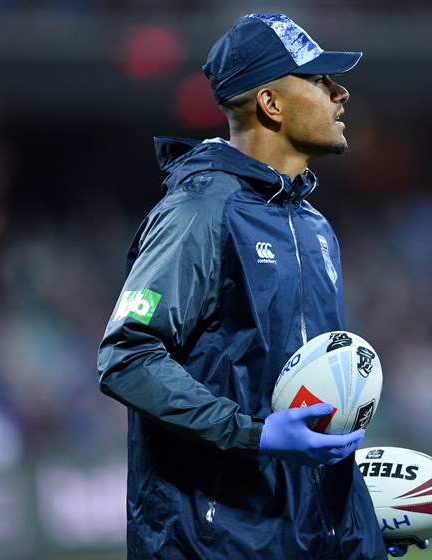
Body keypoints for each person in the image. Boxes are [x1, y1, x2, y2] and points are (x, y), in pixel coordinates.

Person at [98, 13, 411, 559]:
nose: (340, 94)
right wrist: (257, 435)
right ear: (271, 104)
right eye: (318, 81)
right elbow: (126, 356)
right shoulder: (198, 211)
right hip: (216, 543)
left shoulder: (313, 225)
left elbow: (299, 401)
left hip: (298, 538)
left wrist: (358, 523)